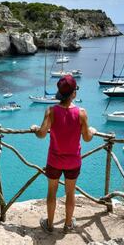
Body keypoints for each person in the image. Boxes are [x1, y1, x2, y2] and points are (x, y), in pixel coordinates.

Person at [30, 75, 96, 234]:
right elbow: (87, 138)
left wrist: (34, 129)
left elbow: (41, 134)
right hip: (73, 162)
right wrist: (92, 131)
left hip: (54, 160)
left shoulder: (51, 111)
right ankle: (68, 225)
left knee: (52, 191)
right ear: (74, 93)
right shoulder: (81, 113)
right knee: (70, 193)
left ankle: (50, 225)